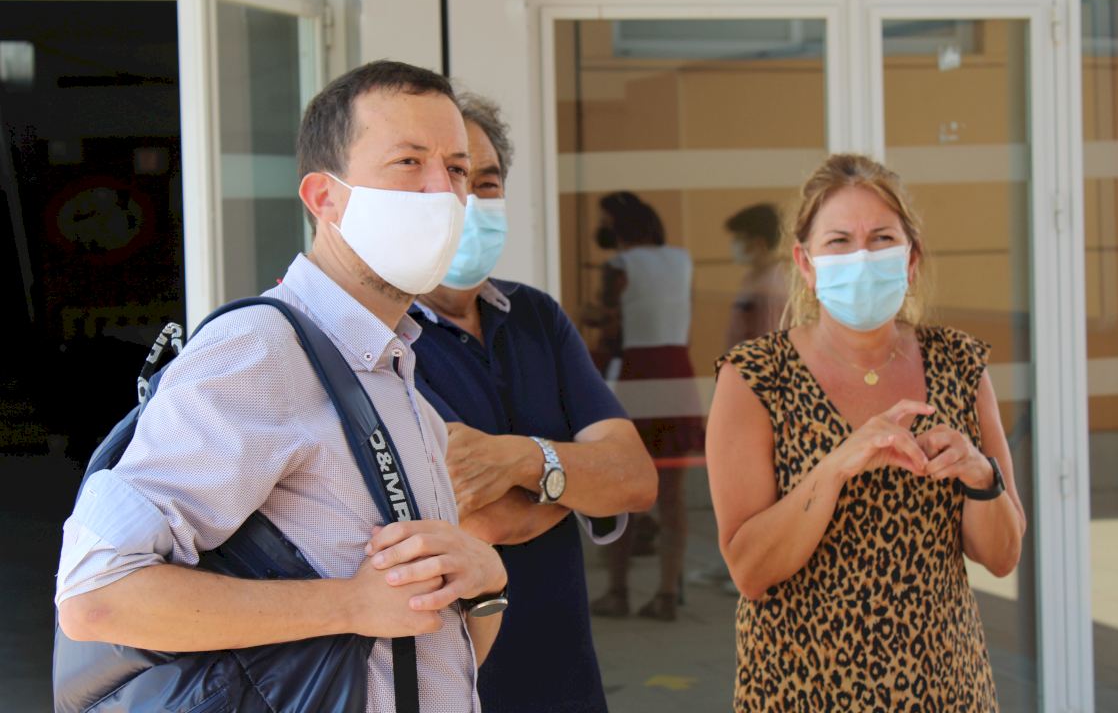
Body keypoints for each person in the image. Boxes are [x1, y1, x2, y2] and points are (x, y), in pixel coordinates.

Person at [54, 61, 509, 712]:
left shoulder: (395, 382)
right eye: (409, 162)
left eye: (458, 170)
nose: (443, 192)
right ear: (324, 198)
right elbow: (97, 598)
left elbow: (421, 652)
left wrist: (487, 582)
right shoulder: (260, 353)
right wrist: (348, 604)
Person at [706, 153, 1025, 711]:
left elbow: (1002, 556)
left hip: (945, 688)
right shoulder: (755, 376)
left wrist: (981, 476)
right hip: (802, 690)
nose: (862, 257)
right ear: (806, 263)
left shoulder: (959, 364)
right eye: (839, 241)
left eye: (881, 239)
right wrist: (835, 468)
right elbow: (750, 570)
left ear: (910, 258)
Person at [407, 92, 657, 712]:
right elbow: (473, 519)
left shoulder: (535, 316)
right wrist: (574, 483)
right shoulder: (380, 338)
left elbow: (633, 478)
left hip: (566, 679)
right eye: (454, 180)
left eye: (486, 183)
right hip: (456, 686)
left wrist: (518, 461)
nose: (471, 201)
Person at [586, 191, 703, 623]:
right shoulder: (681, 260)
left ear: (619, 224)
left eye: (604, 220)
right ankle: (668, 592)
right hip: (678, 370)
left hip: (637, 372)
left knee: (625, 488)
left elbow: (610, 325)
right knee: (673, 496)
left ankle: (618, 590)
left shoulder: (619, 266)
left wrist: (588, 315)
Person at [724, 202, 790, 348]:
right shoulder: (751, 278)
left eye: (739, 239)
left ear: (759, 243)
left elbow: (772, 343)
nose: (734, 245)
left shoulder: (773, 285)